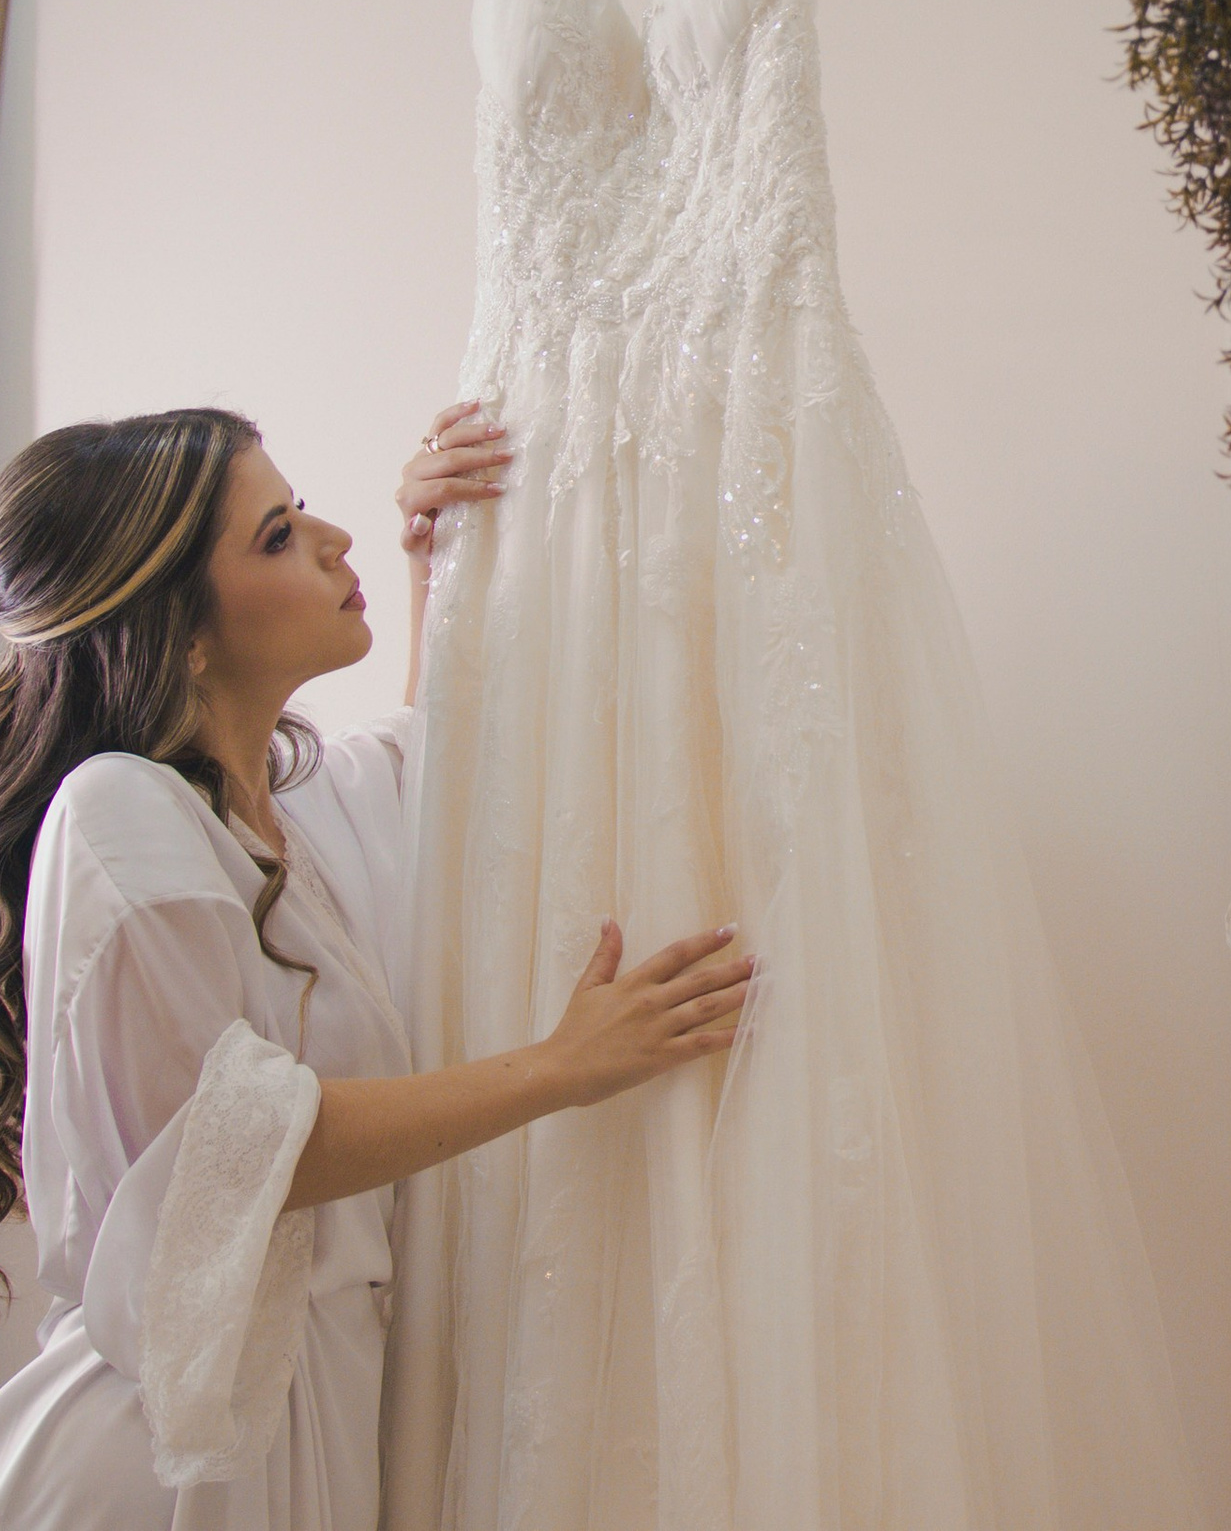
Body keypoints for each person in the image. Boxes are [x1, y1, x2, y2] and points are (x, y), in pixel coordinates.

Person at [0, 402, 752, 1530]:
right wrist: (563, 1066)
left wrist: (439, 560)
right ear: (183, 632)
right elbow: (236, 1144)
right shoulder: (119, 809)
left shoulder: (286, 827)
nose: (330, 538)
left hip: (313, 1414)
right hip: (161, 1466)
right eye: (276, 536)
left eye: (300, 509)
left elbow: (439, 770)